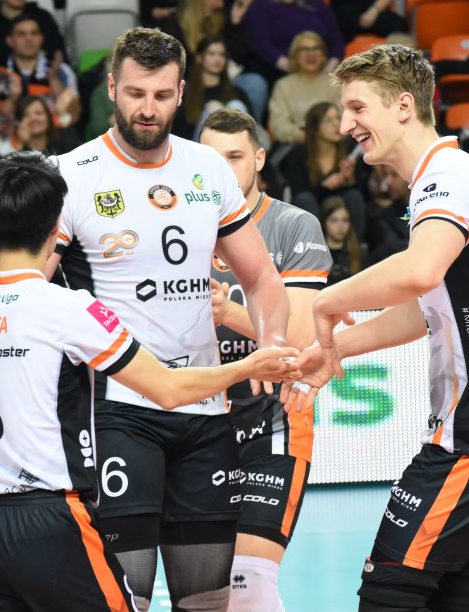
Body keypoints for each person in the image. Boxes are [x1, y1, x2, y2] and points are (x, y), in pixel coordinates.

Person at [0, 151, 299, 611]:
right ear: (56, 225)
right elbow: (167, 388)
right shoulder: (70, 309)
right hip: (51, 516)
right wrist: (248, 367)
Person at [285, 42, 469, 612]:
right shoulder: (449, 175)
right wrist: (335, 349)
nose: (346, 124)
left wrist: (328, 300)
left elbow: (420, 271)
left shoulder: (446, 177)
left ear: (404, 105)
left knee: (390, 585)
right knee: (455, 597)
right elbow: (424, 307)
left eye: (358, 108)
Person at [47, 27, 290, 611]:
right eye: (135, 93)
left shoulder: (208, 167)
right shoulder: (71, 173)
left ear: (181, 92)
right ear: (112, 88)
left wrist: (272, 342)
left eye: (161, 95)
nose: (147, 109)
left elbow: (261, 277)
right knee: (124, 597)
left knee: (207, 601)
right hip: (116, 410)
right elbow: (30, 285)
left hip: (204, 410)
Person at [198, 107, 330, 611]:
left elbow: (297, 339)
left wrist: (227, 311)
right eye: (212, 160)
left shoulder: (293, 225)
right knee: (205, 593)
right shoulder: (178, 227)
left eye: (234, 157)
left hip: (271, 419)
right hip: (194, 422)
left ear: (257, 159)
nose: (224, 170)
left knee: (249, 583)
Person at [0, 14, 80, 157]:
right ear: (10, 41)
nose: (29, 39)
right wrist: (12, 99)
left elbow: (73, 117)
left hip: (57, 145)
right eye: (21, 34)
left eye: (34, 33)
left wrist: (56, 85)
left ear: (41, 39)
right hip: (12, 147)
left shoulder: (61, 71)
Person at [243, 0, 344, 86]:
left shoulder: (316, 5)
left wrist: (329, 68)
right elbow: (262, 45)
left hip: (322, 73)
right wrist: (296, 69)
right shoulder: (260, 6)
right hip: (278, 73)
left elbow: (337, 41)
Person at [278, 101, 367, 239]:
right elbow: (298, 195)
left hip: (341, 214)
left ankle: (355, 247)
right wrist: (324, 186)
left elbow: (363, 195)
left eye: (338, 118)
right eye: (327, 120)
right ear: (314, 128)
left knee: (354, 196)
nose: (336, 124)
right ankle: (311, 247)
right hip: (313, 209)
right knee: (305, 199)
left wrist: (350, 180)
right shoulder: (299, 154)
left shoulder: (349, 152)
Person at [267, 30, 343, 144]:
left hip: (334, 141)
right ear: (295, 57)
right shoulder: (283, 86)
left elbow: (345, 119)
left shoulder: (335, 84)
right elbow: (279, 125)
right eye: (304, 49)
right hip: (297, 143)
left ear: (323, 56)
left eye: (316, 48)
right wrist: (305, 136)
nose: (311, 54)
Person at [175, 36, 252, 141]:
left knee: (236, 105)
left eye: (222, 55)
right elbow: (178, 131)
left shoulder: (237, 92)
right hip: (197, 146)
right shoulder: (186, 93)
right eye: (211, 54)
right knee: (213, 108)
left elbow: (252, 130)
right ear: (199, 58)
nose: (217, 59)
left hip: (233, 146)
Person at [320, 195, 367, 284]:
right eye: (334, 220)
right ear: (324, 222)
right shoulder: (315, 255)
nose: (340, 226)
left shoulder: (360, 255)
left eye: (345, 220)